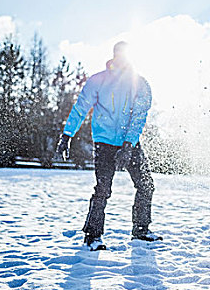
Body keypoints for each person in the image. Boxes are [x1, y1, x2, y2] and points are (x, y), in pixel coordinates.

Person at [56, 41, 161, 251]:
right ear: (114, 56)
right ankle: (92, 236)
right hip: (104, 143)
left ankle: (140, 230)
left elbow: (139, 117)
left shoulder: (140, 84)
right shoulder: (98, 81)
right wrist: (67, 135)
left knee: (146, 184)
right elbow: (80, 108)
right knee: (103, 189)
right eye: (118, 55)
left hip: (129, 143)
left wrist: (129, 145)